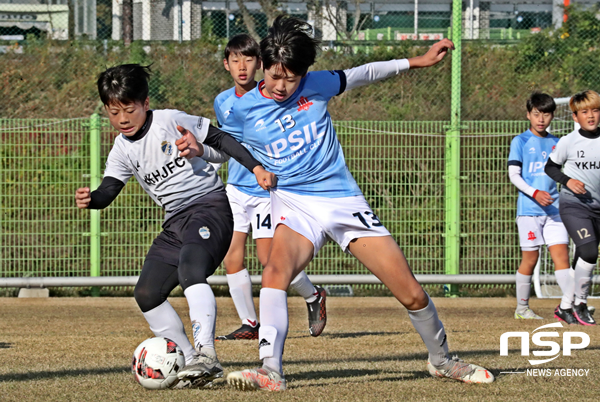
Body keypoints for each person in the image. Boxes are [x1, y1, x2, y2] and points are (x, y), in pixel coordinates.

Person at [219, 16, 494, 391]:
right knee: (274, 272)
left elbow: (363, 73)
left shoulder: (317, 85)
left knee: (410, 292)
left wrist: (416, 61)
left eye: (292, 78)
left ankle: (443, 361)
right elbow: (225, 149)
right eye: (275, 76)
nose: (282, 86)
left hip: (341, 201)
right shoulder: (241, 109)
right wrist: (198, 151)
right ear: (262, 66)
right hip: (294, 203)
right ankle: (271, 370)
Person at [74, 64, 276, 387]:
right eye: (114, 112)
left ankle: (207, 354)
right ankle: (192, 361)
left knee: (190, 270)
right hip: (175, 221)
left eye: (129, 109)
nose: (123, 118)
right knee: (147, 293)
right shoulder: (122, 149)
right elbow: (109, 189)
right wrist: (92, 198)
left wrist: (255, 167)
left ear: (146, 103)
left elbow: (221, 139)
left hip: (209, 207)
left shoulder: (169, 121)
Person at [214, 34, 327, 341]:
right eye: (235, 60)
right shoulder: (223, 102)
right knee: (231, 256)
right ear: (226, 64)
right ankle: (250, 323)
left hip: (266, 192)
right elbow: (225, 144)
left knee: (269, 260)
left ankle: (313, 294)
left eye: (248, 59)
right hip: (236, 188)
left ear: (260, 63)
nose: (242, 66)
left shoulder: (274, 97)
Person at [507, 92, 575, 323]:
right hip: (529, 210)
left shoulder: (558, 142)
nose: (541, 119)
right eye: (536, 114)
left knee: (561, 257)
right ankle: (522, 308)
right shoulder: (520, 141)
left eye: (546, 114)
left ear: (553, 116)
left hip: (555, 211)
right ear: (528, 115)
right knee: (530, 259)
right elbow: (514, 175)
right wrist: (535, 192)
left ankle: (570, 305)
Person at [545, 89, 600, 326]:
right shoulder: (568, 141)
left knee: (582, 258)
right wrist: (567, 180)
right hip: (573, 205)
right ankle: (580, 303)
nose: (590, 116)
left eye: (595, 110)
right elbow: (551, 167)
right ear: (575, 117)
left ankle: (565, 307)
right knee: (589, 253)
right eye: (584, 112)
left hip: (597, 207)